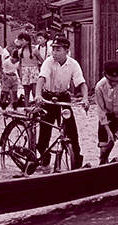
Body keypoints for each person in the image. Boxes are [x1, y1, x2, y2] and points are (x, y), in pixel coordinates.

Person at [35, 35, 90, 170]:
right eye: (53, 49)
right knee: (45, 131)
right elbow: (41, 78)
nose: (54, 53)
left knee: (71, 130)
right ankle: (43, 154)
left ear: (66, 51)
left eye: (58, 50)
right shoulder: (48, 62)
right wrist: (38, 95)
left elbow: (81, 83)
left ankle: (77, 162)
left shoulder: (73, 63)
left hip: (64, 98)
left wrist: (85, 98)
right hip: (48, 97)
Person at [17, 33, 43, 107]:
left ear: (27, 41)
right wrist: (20, 75)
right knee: (26, 92)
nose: (20, 42)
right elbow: (20, 63)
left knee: (35, 91)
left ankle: (37, 107)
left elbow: (41, 61)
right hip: (25, 71)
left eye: (22, 40)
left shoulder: (34, 49)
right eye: (20, 40)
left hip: (34, 71)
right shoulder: (20, 51)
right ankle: (27, 108)